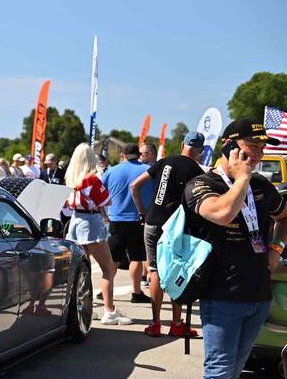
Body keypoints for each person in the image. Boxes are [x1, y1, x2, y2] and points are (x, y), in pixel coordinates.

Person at [185, 119, 286, 379]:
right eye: (250, 148)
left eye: (261, 148)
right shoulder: (202, 184)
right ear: (229, 147)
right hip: (221, 296)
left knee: (230, 376)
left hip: (257, 296)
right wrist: (241, 178)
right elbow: (222, 213)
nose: (257, 154)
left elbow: (284, 216)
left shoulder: (261, 186)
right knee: (217, 375)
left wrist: (276, 248)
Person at [130, 131, 205, 337]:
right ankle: (176, 323)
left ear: (182, 144)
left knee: (154, 270)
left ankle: (155, 324)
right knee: (175, 270)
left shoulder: (164, 162)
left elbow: (134, 186)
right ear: (200, 151)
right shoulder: (196, 171)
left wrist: (142, 211)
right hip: (175, 226)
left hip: (152, 221)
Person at [63, 143, 130, 325]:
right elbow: (107, 200)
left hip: (76, 221)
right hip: (91, 222)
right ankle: (109, 311)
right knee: (108, 268)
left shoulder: (71, 178)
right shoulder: (91, 179)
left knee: (81, 268)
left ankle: (84, 307)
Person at [101, 143, 151, 304]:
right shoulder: (147, 170)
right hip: (138, 219)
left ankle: (106, 290)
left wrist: (104, 214)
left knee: (113, 258)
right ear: (139, 155)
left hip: (116, 218)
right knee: (136, 258)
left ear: (122, 155)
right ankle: (136, 293)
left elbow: (100, 193)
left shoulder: (111, 171)